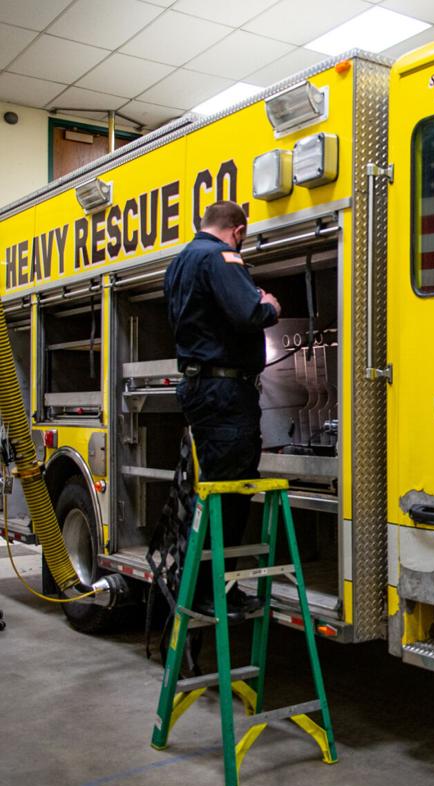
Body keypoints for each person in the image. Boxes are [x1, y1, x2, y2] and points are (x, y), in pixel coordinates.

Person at [165, 201, 280, 618]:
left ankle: (204, 587)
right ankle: (213, 592)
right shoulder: (221, 257)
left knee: (216, 490)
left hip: (204, 387)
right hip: (224, 392)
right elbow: (249, 311)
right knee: (229, 496)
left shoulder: (181, 261)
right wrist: (269, 303)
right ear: (238, 229)